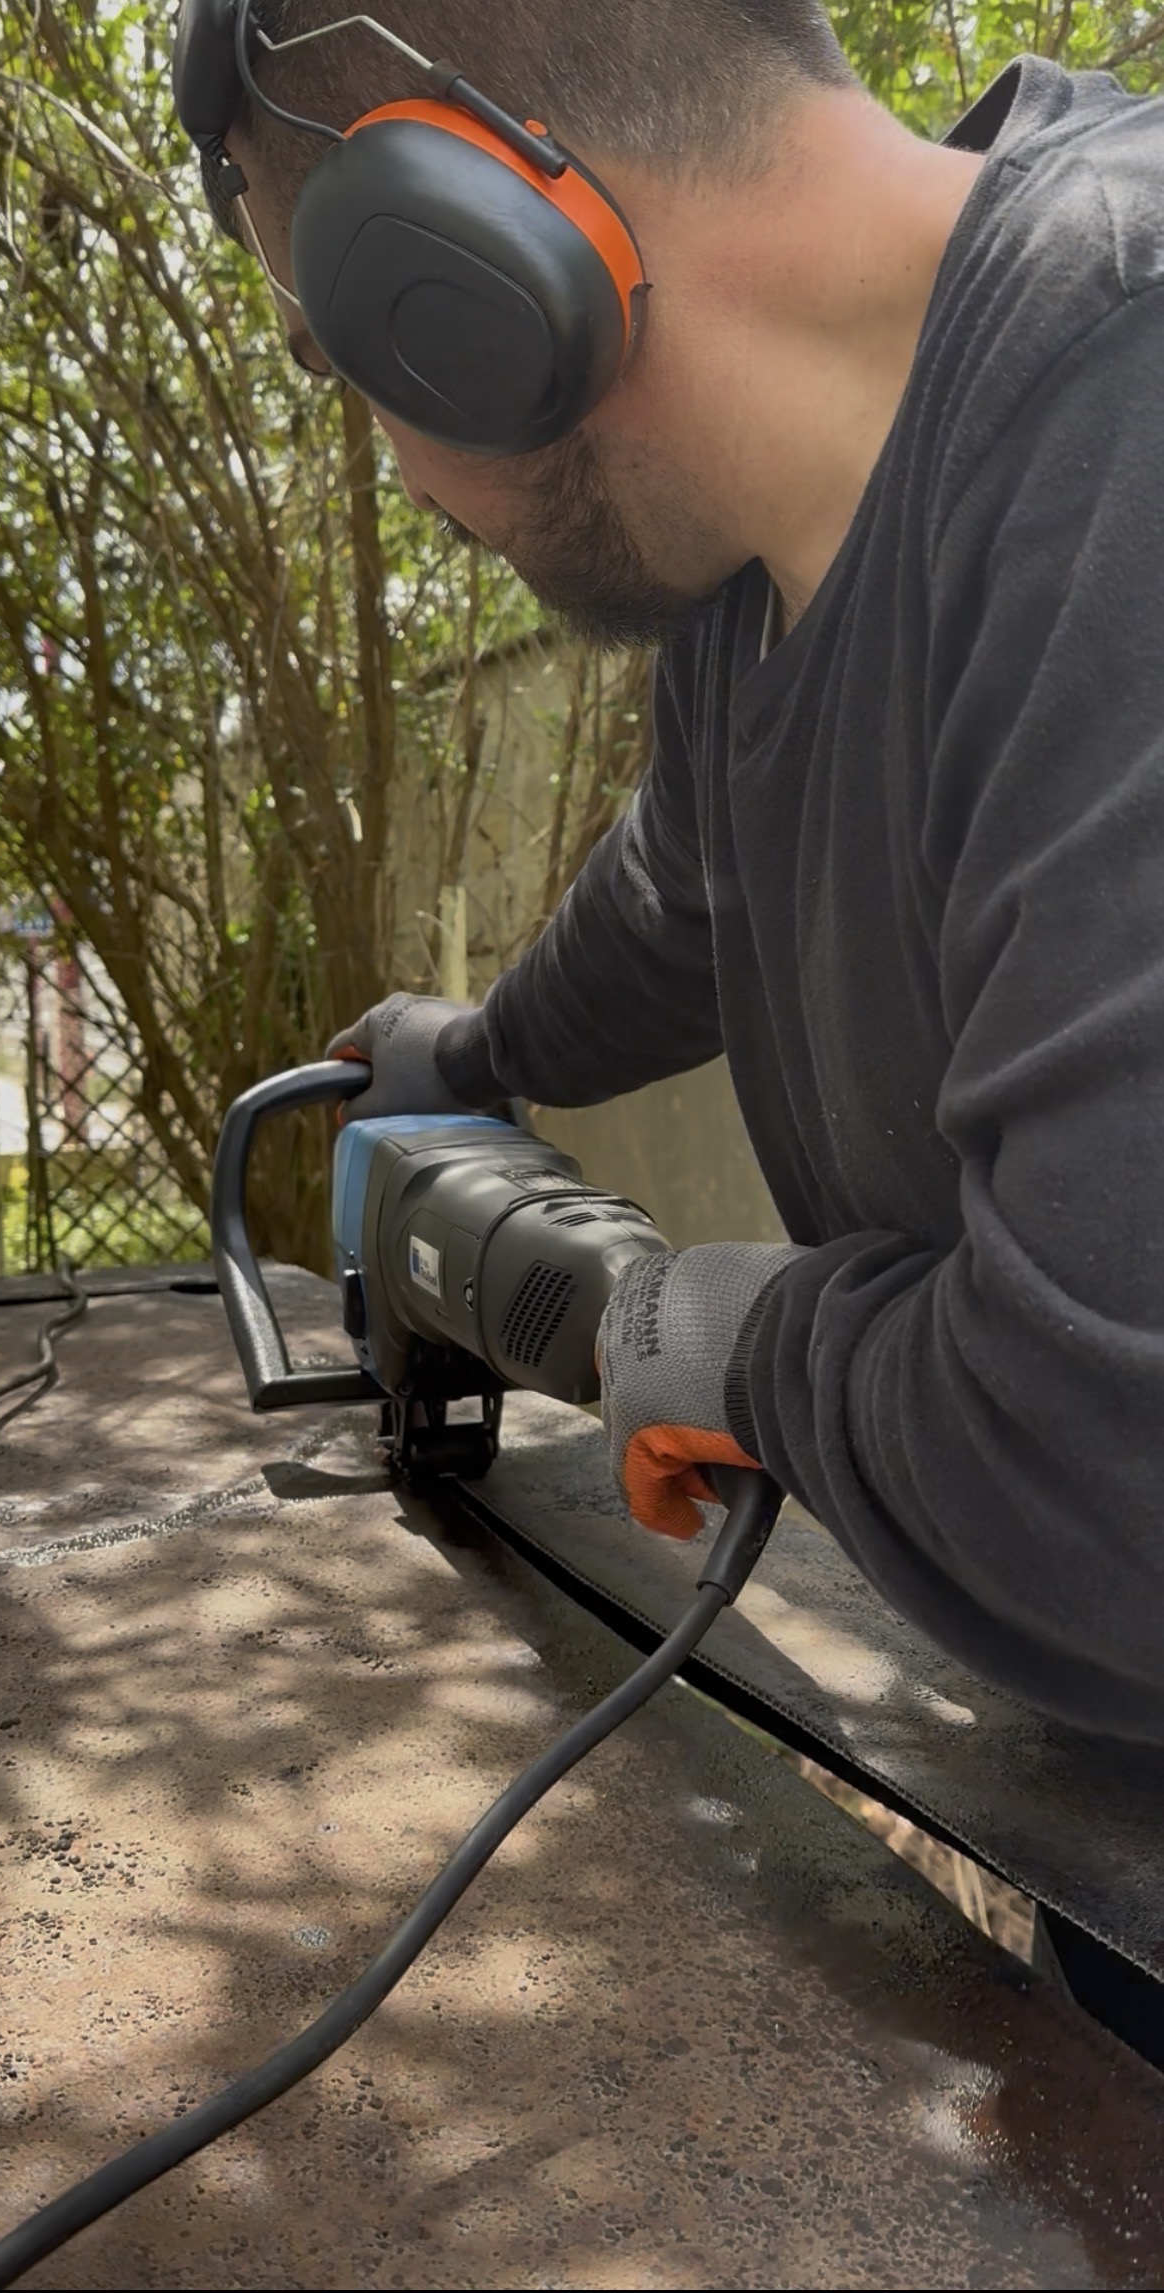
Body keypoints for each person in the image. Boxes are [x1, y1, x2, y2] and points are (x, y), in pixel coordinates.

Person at [177, 2, 1164, 1742]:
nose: (394, 470)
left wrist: (728, 1334)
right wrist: (471, 1056)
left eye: (337, 348)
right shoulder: (756, 592)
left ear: (471, 268)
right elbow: (679, 908)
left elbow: (1114, 1491)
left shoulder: (1125, 406)